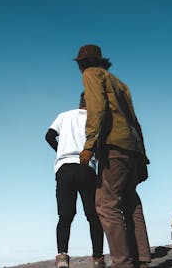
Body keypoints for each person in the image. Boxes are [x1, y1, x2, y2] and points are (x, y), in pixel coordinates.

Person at [75, 44, 150, 268]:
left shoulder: (91, 74)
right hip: (131, 147)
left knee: (106, 204)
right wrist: (143, 155)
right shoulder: (120, 83)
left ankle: (123, 263)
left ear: (82, 64)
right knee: (130, 201)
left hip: (113, 145)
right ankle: (143, 258)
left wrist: (89, 145)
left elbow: (97, 108)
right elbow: (134, 120)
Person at [45, 92, 105, 268]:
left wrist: (61, 151)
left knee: (65, 216)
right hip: (86, 168)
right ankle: (97, 258)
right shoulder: (95, 120)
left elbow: (48, 136)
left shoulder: (64, 116)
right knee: (93, 215)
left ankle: (62, 258)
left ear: (80, 102)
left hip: (64, 168)